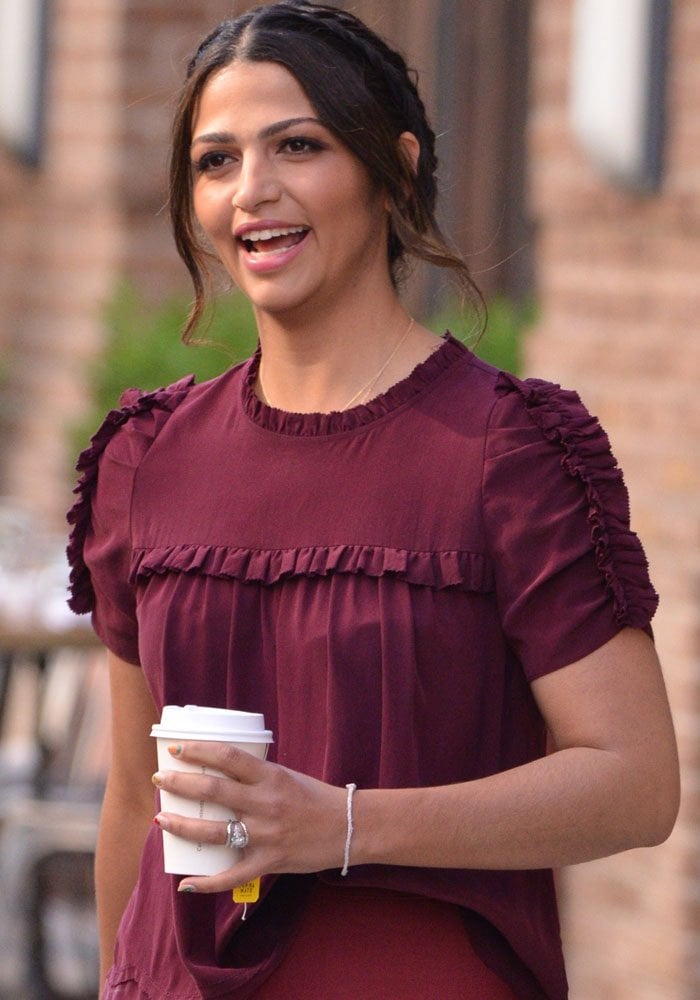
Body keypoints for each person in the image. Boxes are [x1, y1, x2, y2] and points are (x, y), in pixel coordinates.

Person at [66, 2, 680, 997]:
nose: (251, 191)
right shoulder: (148, 456)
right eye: (215, 161)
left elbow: (633, 782)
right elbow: (135, 799)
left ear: (391, 169)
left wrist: (344, 824)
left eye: (297, 145)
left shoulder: (508, 451)